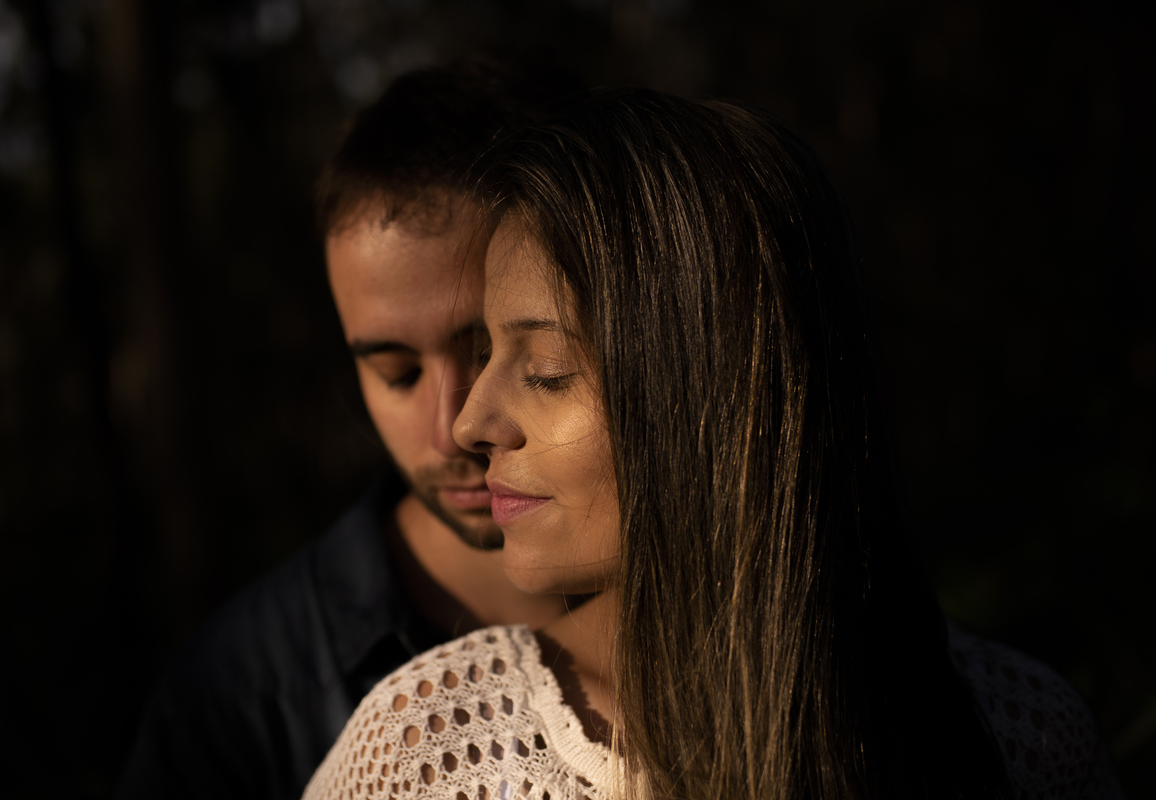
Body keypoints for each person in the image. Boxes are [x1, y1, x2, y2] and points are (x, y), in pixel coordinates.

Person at [302, 90, 1122, 799]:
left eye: (546, 371)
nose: (469, 423)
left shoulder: (1022, 736)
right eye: (492, 354)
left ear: (714, 394)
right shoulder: (428, 754)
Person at [114, 57, 581, 800]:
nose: (451, 431)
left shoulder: (733, 603)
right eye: (396, 373)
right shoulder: (237, 706)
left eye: (490, 349)